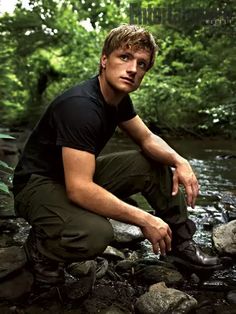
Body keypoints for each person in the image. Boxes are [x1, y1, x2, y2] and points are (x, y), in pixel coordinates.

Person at [13, 24, 221, 287]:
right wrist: (144, 218)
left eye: (142, 63)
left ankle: (181, 245)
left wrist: (180, 160)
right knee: (96, 233)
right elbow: (79, 189)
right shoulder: (81, 106)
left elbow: (146, 138)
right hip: (36, 184)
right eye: (125, 57)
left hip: (71, 177)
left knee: (151, 161)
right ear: (104, 60)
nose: (133, 68)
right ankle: (41, 251)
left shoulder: (118, 99)